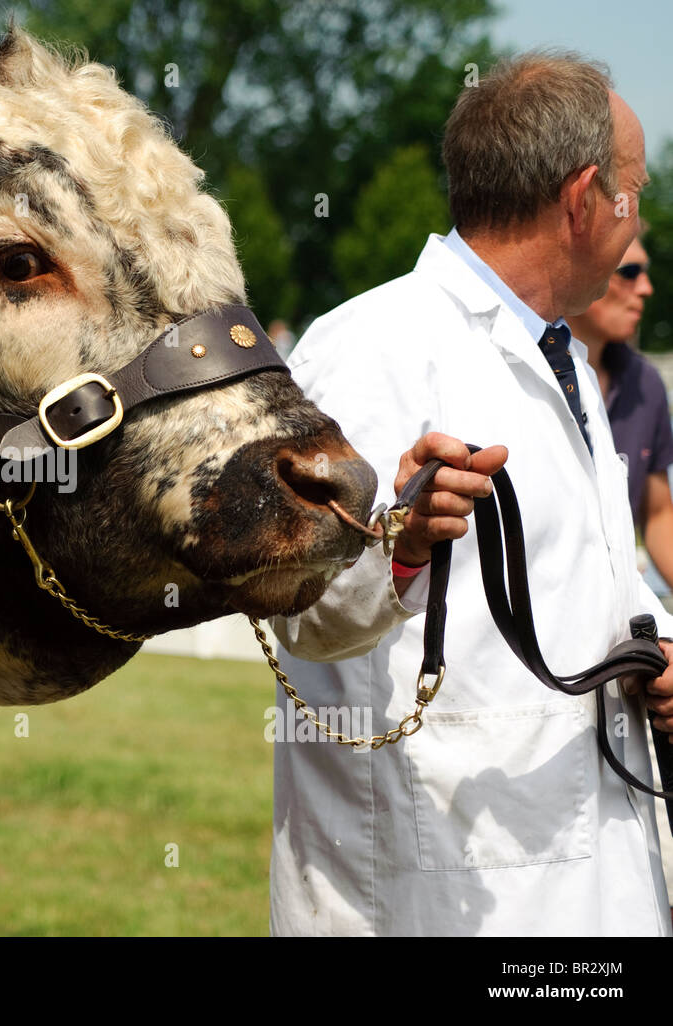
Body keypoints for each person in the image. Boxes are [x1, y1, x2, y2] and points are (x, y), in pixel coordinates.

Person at [268, 52, 673, 935]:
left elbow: (595, 569)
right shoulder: (369, 348)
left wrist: (662, 646)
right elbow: (300, 614)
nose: (638, 217)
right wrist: (402, 547)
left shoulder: (562, 356)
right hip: (440, 890)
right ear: (582, 198)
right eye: (633, 191)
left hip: (588, 874)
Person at [567, 235, 673, 587]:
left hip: (617, 628)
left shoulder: (645, 385)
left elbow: (657, 513)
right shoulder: (520, 374)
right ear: (576, 268)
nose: (646, 288)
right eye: (629, 272)